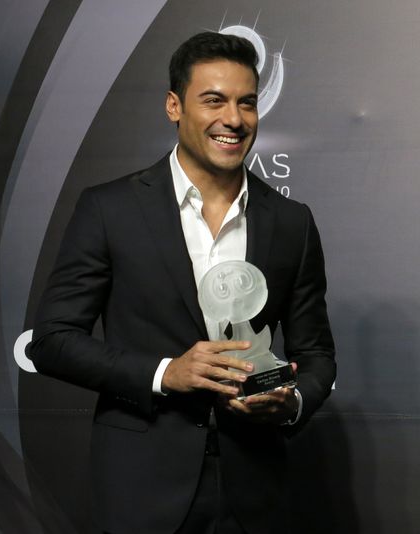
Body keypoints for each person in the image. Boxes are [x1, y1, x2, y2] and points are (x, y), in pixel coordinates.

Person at [29, 31, 336, 534]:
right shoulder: (110, 209)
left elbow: (318, 354)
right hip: (141, 488)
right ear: (174, 106)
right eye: (213, 100)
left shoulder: (291, 221)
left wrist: (290, 401)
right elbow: (53, 341)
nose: (233, 120)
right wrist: (164, 372)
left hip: (255, 490)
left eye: (247, 103)